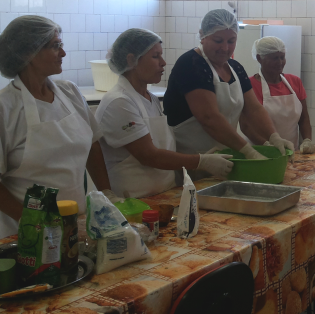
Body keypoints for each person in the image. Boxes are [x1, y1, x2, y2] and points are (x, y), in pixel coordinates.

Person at [0, 16, 115, 241]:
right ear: (29, 52)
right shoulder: (0, 108)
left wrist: (108, 196)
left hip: (71, 227)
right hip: (21, 234)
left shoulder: (70, 93)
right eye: (55, 46)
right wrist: (34, 223)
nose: (63, 53)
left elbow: (93, 147)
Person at [95, 28, 234, 199]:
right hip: (133, 200)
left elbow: (163, 148)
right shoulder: (119, 102)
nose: (163, 62)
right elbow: (148, 155)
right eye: (155, 56)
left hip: (163, 195)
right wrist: (200, 161)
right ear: (131, 60)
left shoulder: (151, 99)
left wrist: (200, 159)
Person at [163, 9, 294, 177]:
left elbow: (254, 109)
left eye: (231, 41)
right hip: (193, 162)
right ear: (203, 36)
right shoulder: (191, 64)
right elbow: (209, 118)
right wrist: (248, 151)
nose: (225, 48)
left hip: (225, 160)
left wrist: (274, 137)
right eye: (218, 40)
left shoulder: (235, 67)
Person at [245, 36, 315, 154]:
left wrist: (307, 140)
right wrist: (268, 145)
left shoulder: (295, 82)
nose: (280, 62)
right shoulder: (249, 85)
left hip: (292, 151)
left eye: (282, 57)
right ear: (259, 58)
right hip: (261, 152)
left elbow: (304, 119)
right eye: (274, 58)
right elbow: (246, 126)